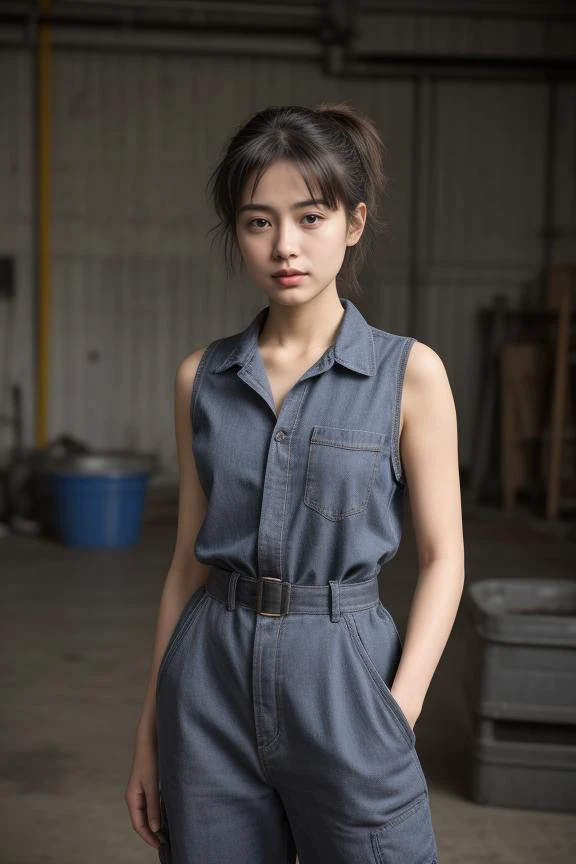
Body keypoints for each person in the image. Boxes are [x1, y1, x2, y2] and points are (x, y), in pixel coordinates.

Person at [125, 102, 464, 864]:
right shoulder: (201, 379)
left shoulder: (409, 374)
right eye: (258, 222)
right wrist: (151, 731)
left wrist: (396, 710)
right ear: (236, 233)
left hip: (347, 678)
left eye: (310, 217)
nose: (285, 246)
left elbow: (445, 559)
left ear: (352, 222)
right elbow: (187, 564)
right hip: (209, 685)